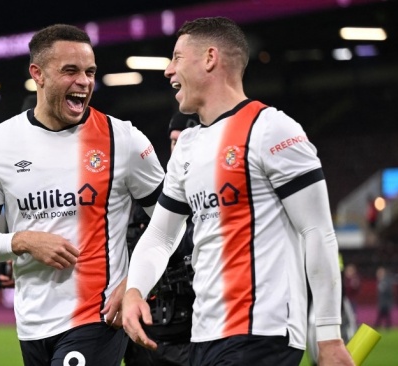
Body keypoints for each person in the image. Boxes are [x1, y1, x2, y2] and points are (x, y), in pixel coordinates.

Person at [122, 16, 354, 366]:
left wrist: (329, 335)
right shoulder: (187, 146)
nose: (169, 70)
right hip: (203, 335)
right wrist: (134, 290)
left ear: (210, 58)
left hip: (262, 332)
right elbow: (159, 236)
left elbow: (317, 231)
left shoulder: (272, 130)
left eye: (177, 57)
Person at [0, 23, 167, 366]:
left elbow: (171, 224)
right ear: (37, 74)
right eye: (70, 71)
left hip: (97, 317)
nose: (84, 82)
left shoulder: (124, 140)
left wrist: (134, 283)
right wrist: (23, 240)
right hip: (31, 323)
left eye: (89, 72)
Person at [123, 111, 198, 366]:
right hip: (146, 337)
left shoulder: (215, 200)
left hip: (193, 337)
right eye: (174, 141)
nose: (178, 148)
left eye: (185, 140)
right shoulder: (150, 198)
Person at [374, 266, 393, 330]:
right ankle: (384, 326)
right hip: (382, 302)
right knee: (383, 315)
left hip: (385, 302)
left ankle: (382, 326)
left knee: (384, 315)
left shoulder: (386, 281)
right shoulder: (380, 281)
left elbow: (389, 292)